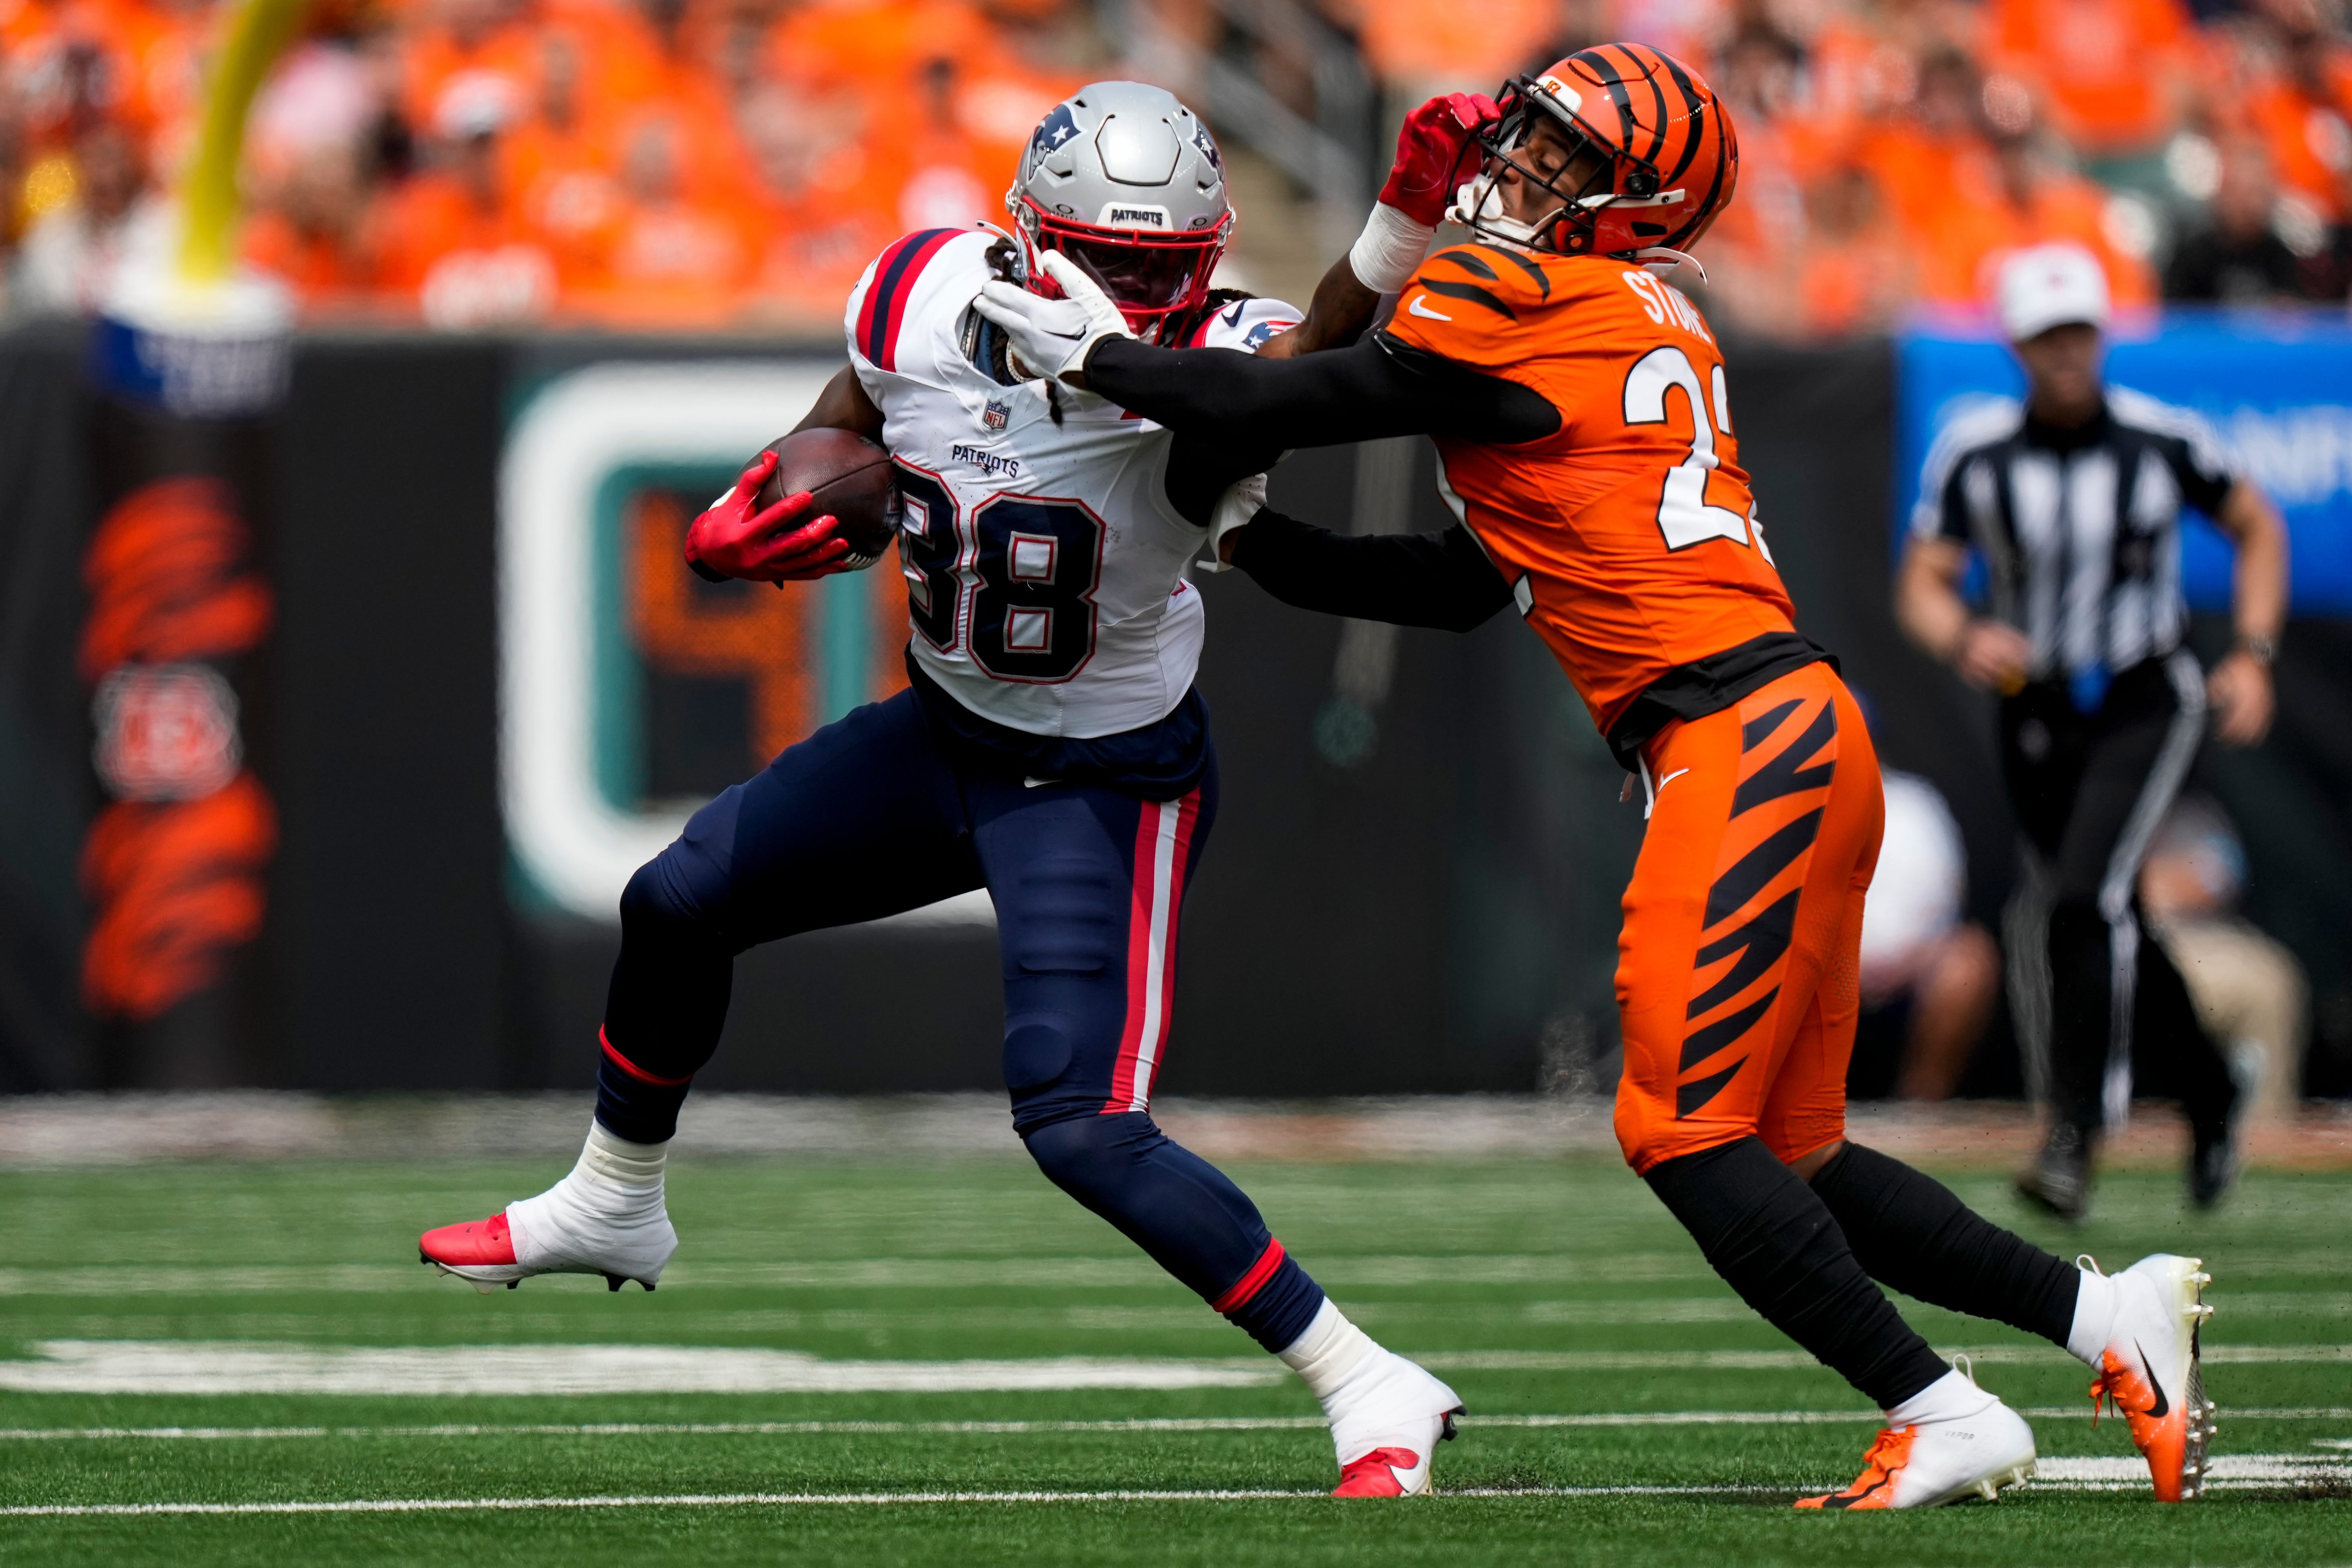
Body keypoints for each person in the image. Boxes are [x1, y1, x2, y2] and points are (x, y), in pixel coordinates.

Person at [976, 46, 2219, 1507]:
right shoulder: (1641, 317)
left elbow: (1271, 404)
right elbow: (1456, 585)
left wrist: (1095, 358)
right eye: (1533, 136)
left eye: (1567, 160)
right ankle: (2099, 1316)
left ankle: (1938, 1405)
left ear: (1638, 206)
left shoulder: (1501, 299)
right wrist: (1250, 547)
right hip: (1799, 732)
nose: (1522, 166)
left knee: (1676, 1126)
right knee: (1789, 1148)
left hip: (1737, 737)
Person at [417, 81, 1465, 1500]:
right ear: (1029, 237)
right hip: (944, 732)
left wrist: (1397, 223)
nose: (1145, 296)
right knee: (675, 898)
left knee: (1079, 1122)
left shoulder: (1210, 369)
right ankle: (613, 1202)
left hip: (1104, 780)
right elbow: (852, 412)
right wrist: (788, 485)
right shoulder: (921, 284)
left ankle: (1362, 1375)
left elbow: (1317, 359)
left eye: (1171, 268)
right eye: (1116, 262)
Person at [1894, 241, 2290, 1218]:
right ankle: (2210, 1086)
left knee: (2081, 901)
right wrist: (1962, 634)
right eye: (2046, 336)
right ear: (2019, 347)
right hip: (2034, 707)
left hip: (2144, 699)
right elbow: (1923, 581)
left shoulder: (2162, 440)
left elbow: (2258, 526)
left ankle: (2077, 1130)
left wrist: (2254, 653)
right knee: (2111, 915)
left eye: (2078, 332)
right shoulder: (1977, 452)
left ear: (2100, 336)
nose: (2065, 353)